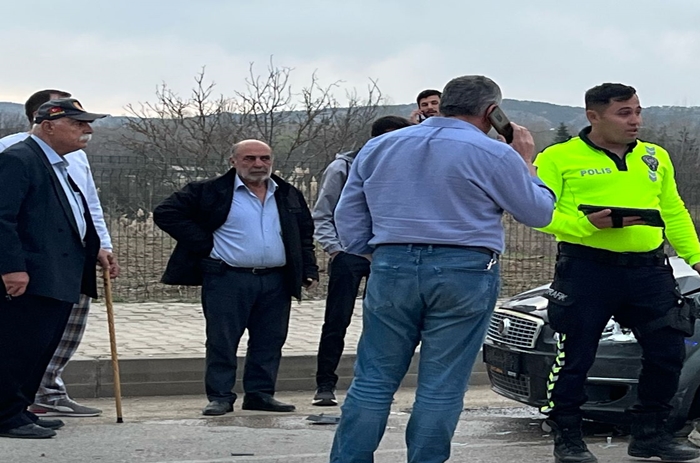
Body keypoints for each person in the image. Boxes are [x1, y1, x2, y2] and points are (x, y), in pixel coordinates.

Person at [303, 75, 554, 463]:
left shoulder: (381, 147)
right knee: (442, 378)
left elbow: (349, 216)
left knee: (374, 375)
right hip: (465, 268)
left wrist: (375, 253)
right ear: (493, 112)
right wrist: (526, 162)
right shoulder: (495, 152)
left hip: (392, 263)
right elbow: (538, 212)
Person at [533, 83, 700, 463]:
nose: (635, 120)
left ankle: (650, 434)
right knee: (576, 354)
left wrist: (696, 257)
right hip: (587, 268)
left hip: (648, 270)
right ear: (593, 116)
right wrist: (587, 225)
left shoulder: (655, 157)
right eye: (624, 113)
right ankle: (567, 436)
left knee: (668, 351)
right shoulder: (557, 157)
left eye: (637, 111)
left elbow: (673, 209)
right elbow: (539, 213)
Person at [153, 140, 319, 416]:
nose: (258, 164)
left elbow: (303, 235)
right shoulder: (209, 191)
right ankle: (220, 395)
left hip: (275, 280)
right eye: (249, 158)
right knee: (223, 339)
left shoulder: (287, 193)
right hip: (227, 278)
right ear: (233, 161)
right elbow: (166, 213)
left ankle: (260, 394)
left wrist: (308, 269)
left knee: (270, 339)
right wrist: (204, 244)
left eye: (264, 158)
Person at [0, 89, 120, 419]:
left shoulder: (65, 161)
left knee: (42, 347)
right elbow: (2, 216)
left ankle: (21, 410)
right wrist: (11, 267)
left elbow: (85, 207)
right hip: (33, 271)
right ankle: (8, 414)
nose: (88, 129)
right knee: (19, 346)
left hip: (64, 268)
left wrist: (99, 247)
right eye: (78, 123)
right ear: (48, 124)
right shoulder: (16, 156)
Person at [312, 115, 413, 407]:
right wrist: (335, 249)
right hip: (349, 255)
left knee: (383, 323)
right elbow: (323, 212)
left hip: (388, 255)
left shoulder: (405, 170)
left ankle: (373, 385)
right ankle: (325, 385)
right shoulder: (343, 166)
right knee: (336, 320)